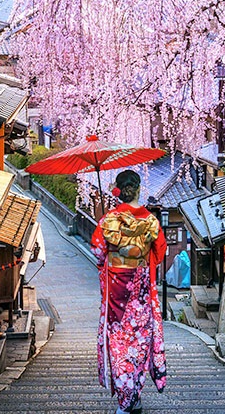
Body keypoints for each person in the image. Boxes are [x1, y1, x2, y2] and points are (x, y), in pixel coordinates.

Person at [92, 169, 167, 414]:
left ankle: (127, 399)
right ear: (138, 189)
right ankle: (134, 393)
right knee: (139, 339)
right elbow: (160, 252)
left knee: (119, 341)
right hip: (141, 286)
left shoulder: (108, 219)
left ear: (118, 190)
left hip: (116, 287)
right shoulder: (151, 220)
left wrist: (113, 254)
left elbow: (98, 252)